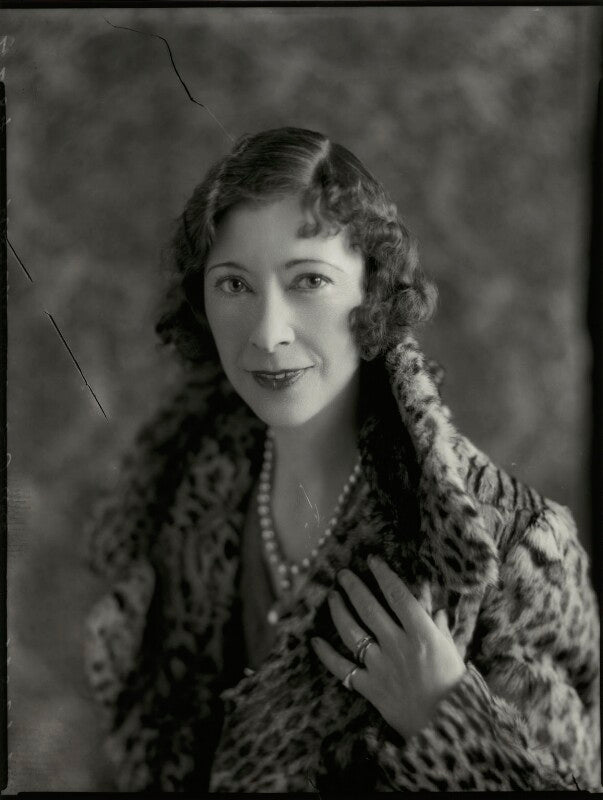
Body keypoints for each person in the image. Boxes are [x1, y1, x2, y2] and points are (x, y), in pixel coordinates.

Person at [84, 127, 600, 792]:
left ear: (372, 291)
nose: (269, 333)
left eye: (309, 281)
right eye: (234, 284)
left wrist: (445, 719)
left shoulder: (514, 545)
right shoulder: (185, 499)